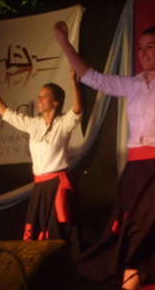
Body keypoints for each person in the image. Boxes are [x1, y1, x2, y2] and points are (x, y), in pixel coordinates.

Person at [54, 21, 155, 290]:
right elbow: (91, 77)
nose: (143, 53)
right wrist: (64, 42)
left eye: (150, 47)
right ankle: (137, 275)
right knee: (128, 233)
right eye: (141, 48)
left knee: (142, 232)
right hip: (135, 172)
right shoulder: (132, 84)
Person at [0, 66, 83, 258]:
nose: (39, 99)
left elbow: (77, 111)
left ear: (55, 101)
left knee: (58, 234)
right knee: (37, 235)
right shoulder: (34, 124)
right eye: (39, 96)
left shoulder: (63, 124)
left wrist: (73, 81)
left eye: (44, 96)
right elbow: (6, 114)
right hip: (40, 188)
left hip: (57, 187)